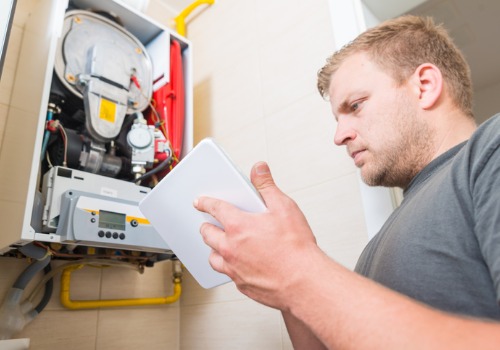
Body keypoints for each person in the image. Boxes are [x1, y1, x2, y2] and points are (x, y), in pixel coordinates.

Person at [194, 15, 500, 349]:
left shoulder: (490, 150)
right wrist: (285, 281)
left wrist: (296, 269)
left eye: (355, 106)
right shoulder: (380, 242)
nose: (339, 136)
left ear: (424, 86)